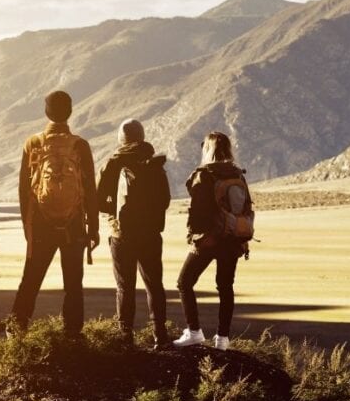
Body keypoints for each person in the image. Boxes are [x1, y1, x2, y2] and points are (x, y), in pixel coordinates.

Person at [9, 91, 99, 337]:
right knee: (73, 284)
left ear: (46, 112)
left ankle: (16, 333)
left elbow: (23, 189)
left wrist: (28, 228)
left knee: (30, 282)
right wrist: (94, 228)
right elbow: (91, 189)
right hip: (74, 226)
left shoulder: (33, 143)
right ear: (70, 112)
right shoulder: (80, 145)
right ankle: (72, 335)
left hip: (40, 226)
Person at [173, 132, 255, 351]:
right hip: (234, 239)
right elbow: (247, 207)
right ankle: (222, 339)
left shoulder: (204, 174)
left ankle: (194, 332)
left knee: (184, 282)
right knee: (225, 286)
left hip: (210, 239)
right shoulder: (238, 175)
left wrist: (194, 236)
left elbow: (197, 211)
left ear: (207, 150)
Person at [96, 119, 171, 349]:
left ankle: (126, 337)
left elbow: (99, 200)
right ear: (142, 135)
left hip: (122, 234)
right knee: (154, 285)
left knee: (125, 287)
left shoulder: (114, 163)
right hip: (150, 234)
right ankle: (160, 336)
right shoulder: (154, 162)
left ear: (122, 138)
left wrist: (114, 216)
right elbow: (165, 200)